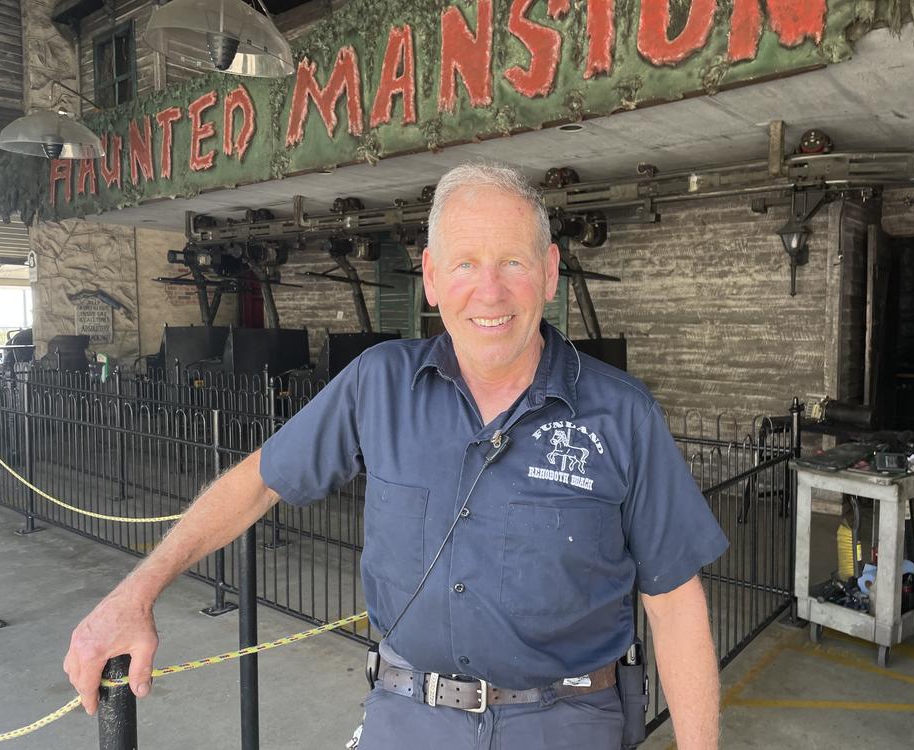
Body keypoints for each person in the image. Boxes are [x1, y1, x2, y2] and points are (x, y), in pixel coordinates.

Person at [64, 163, 728, 749]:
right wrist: (136, 592)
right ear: (432, 279)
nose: (489, 291)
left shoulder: (622, 413)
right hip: (409, 720)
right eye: (465, 264)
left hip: (568, 724)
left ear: (550, 272)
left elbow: (674, 605)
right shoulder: (377, 383)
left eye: (513, 263)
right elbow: (256, 483)